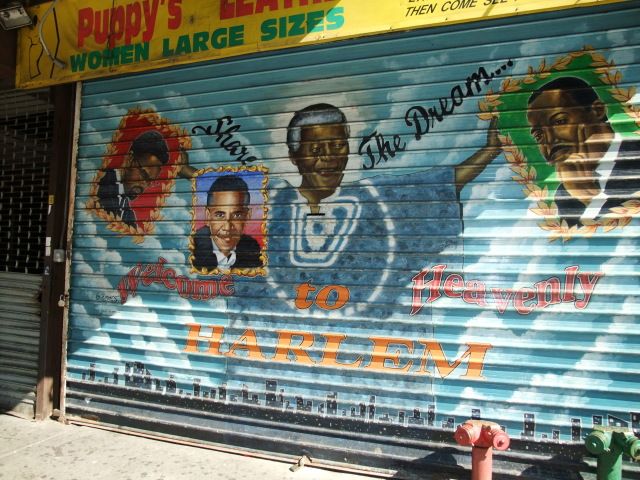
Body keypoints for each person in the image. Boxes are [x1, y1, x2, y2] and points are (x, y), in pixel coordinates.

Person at [527, 76, 640, 227]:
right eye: (539, 135)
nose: (550, 141)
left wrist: (591, 199)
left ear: (597, 111)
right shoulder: (564, 194)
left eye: (560, 122)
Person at [96, 129, 196, 227]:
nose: (144, 185)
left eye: (150, 181)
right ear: (129, 160)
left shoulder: (128, 214)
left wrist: (187, 171)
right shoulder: (101, 186)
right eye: (144, 175)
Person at [191, 174, 263, 271]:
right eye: (220, 215)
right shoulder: (192, 249)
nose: (227, 227)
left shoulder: (252, 250)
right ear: (208, 216)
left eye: (237, 215)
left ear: (247, 216)